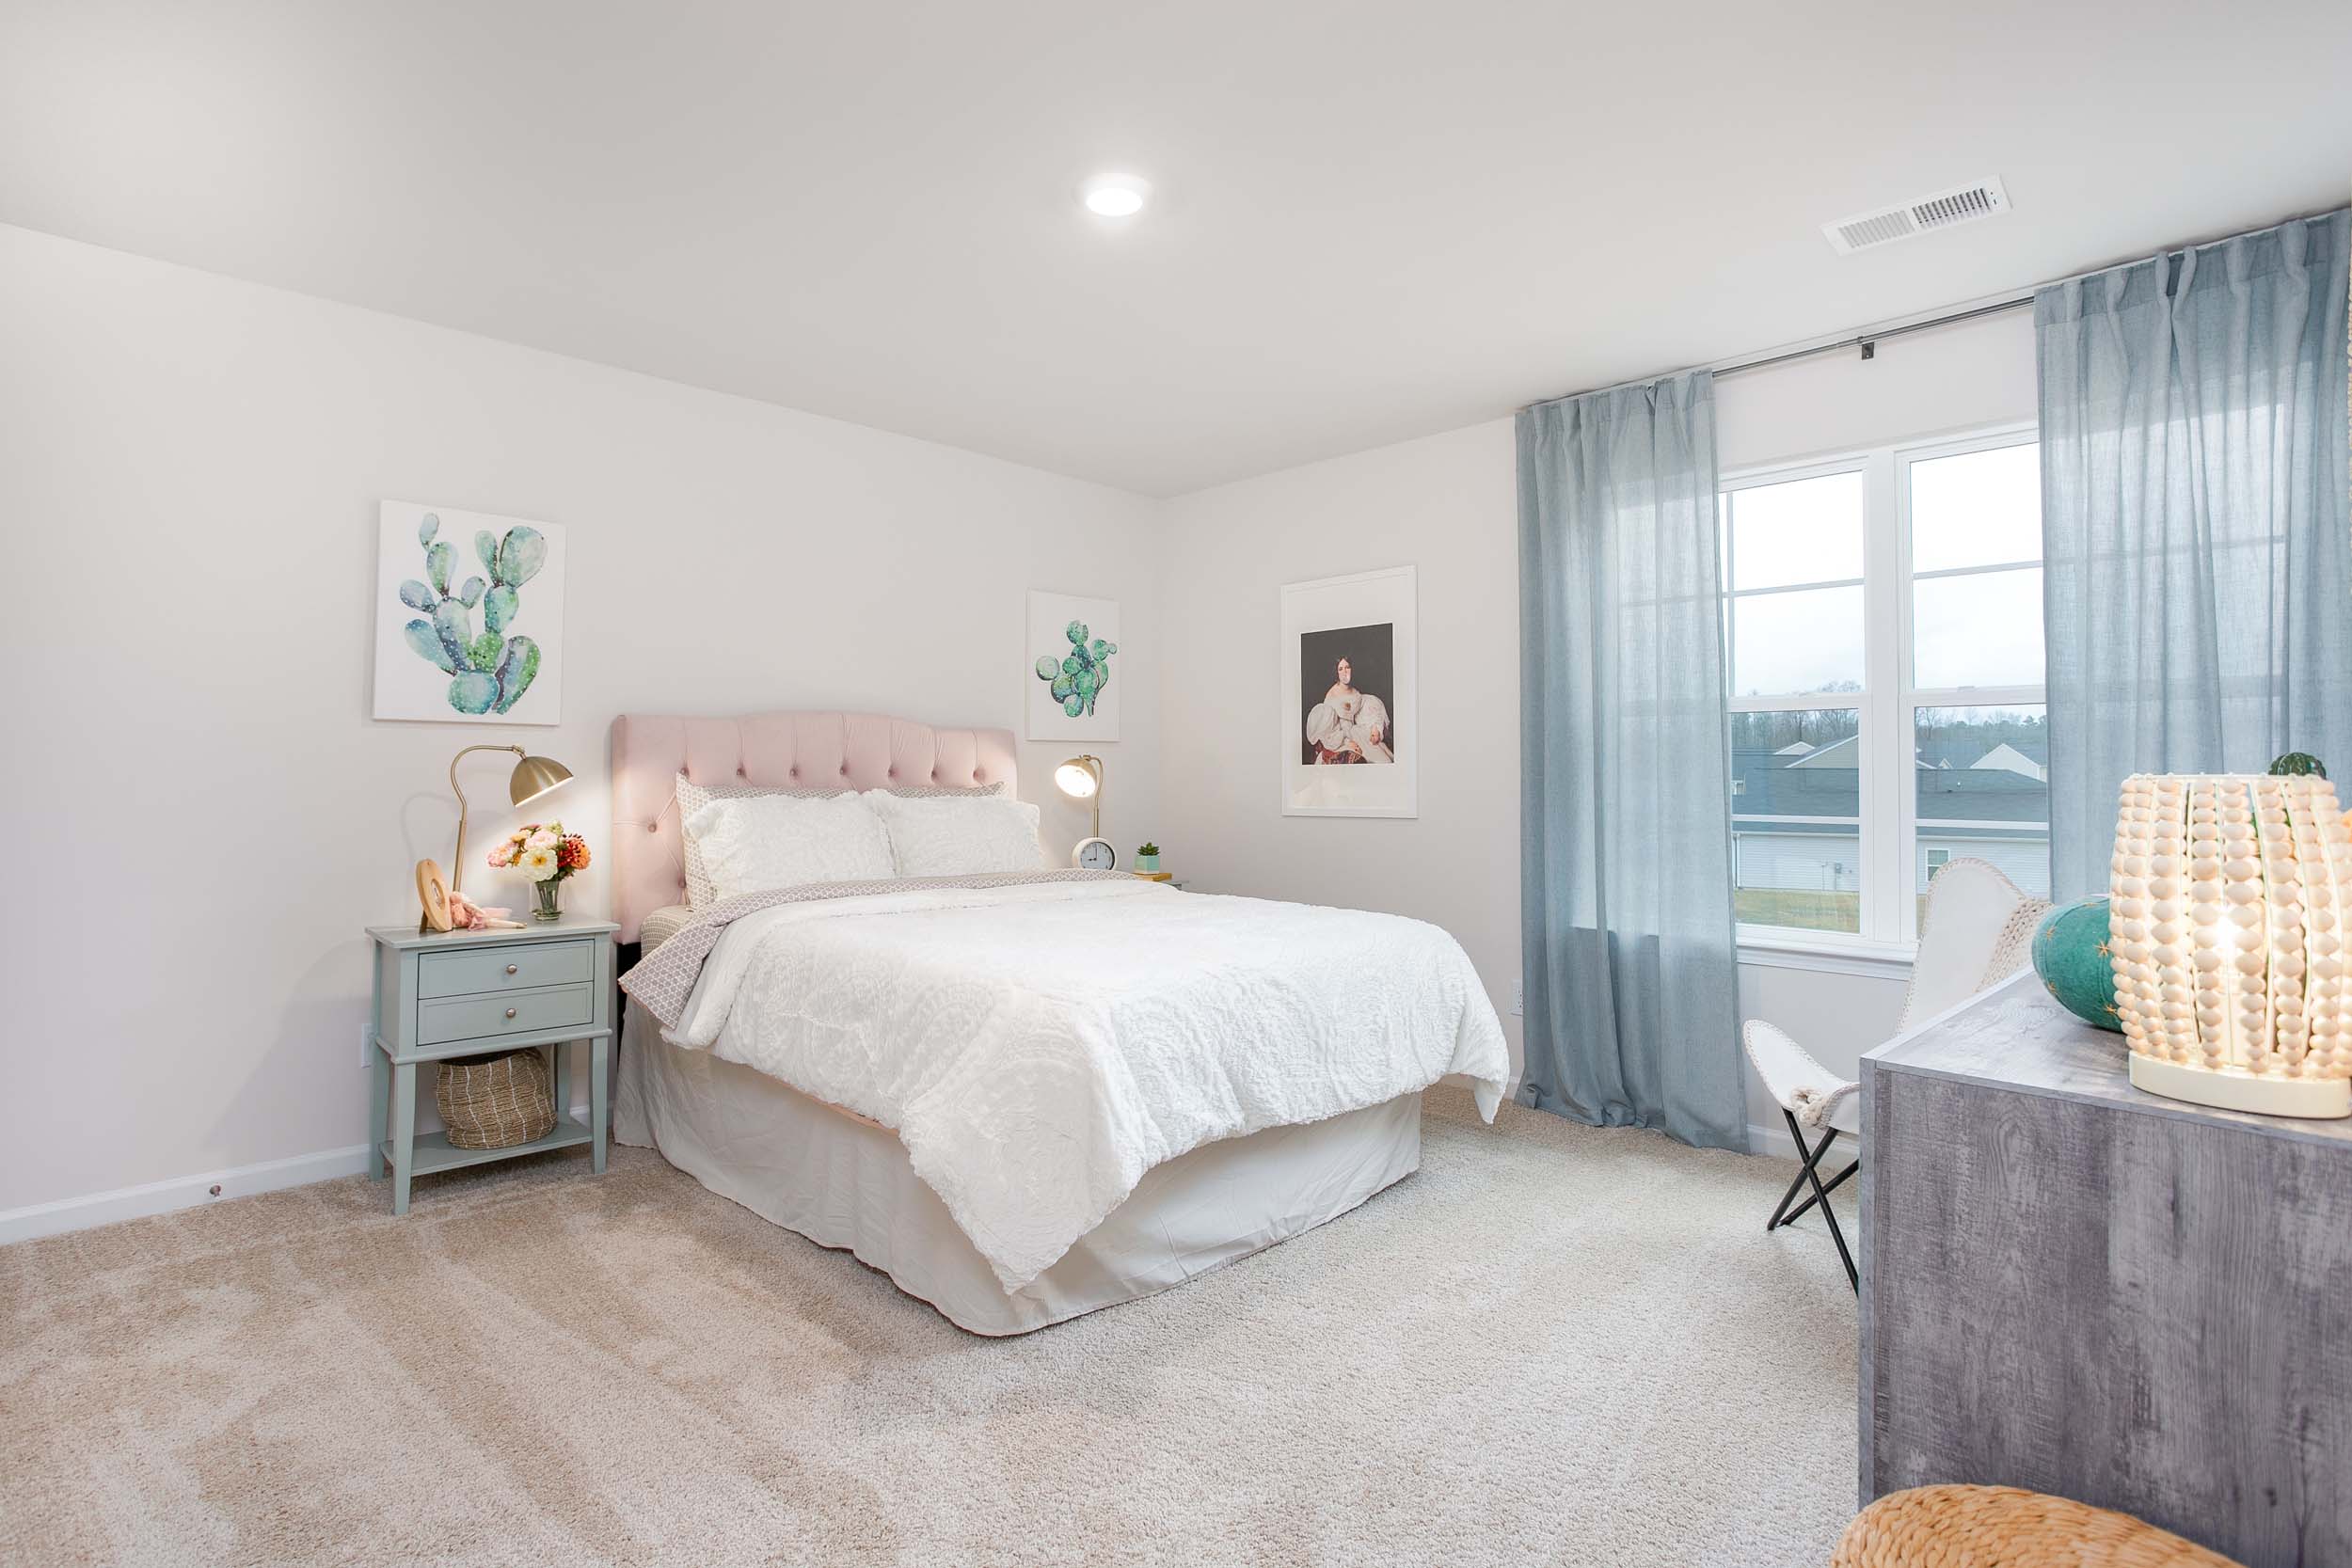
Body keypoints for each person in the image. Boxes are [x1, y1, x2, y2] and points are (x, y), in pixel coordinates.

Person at [1305, 657, 1392, 763]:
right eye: (1340, 669)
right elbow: (1328, 730)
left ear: (1352, 669)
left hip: (1356, 732)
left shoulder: (1355, 692)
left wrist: (1375, 727)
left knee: (1384, 760)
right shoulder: (1331, 695)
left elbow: (1366, 711)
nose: (1344, 672)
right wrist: (1347, 742)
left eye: (1347, 667)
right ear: (1336, 672)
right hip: (1341, 739)